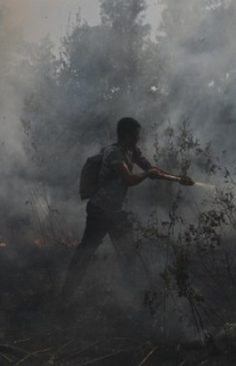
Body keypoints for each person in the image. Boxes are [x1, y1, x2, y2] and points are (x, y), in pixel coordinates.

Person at [62, 117, 194, 298]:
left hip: (115, 213)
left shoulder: (131, 151)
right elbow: (129, 179)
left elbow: (152, 168)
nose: (138, 139)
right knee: (85, 253)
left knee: (129, 254)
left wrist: (179, 178)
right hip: (99, 211)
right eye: (136, 135)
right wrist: (148, 174)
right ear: (127, 135)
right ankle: (65, 295)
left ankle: (136, 297)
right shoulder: (113, 153)